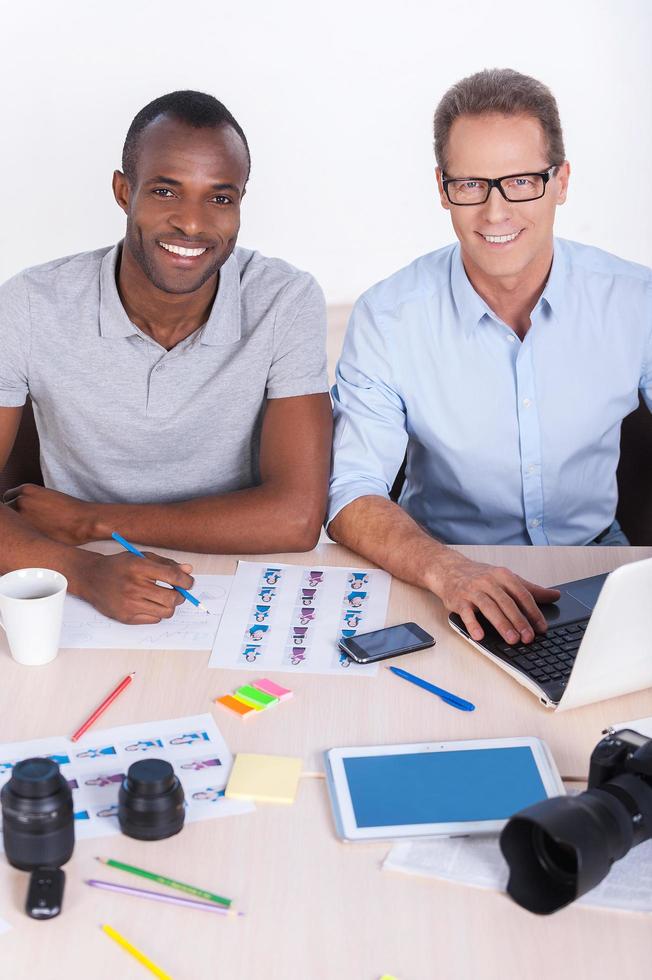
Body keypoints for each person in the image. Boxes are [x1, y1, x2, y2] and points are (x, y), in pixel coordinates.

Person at [327, 68, 652, 646]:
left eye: (522, 180)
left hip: (602, 571)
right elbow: (351, 492)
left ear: (562, 181)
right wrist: (446, 570)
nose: (496, 212)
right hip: (444, 575)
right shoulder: (389, 316)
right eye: (472, 184)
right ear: (442, 187)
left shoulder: (636, 302)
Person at [0, 91, 332, 624]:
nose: (193, 224)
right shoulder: (31, 304)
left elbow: (294, 521)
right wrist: (82, 570)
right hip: (77, 571)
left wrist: (95, 521)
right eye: (165, 191)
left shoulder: (284, 298)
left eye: (220, 198)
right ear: (123, 191)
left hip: (238, 576)